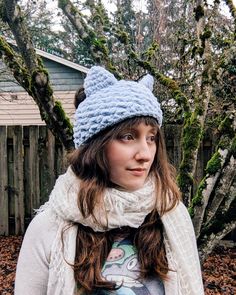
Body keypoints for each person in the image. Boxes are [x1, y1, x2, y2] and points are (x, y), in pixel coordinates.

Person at [14, 66, 204, 295]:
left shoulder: (171, 215)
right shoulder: (49, 228)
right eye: (128, 136)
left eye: (151, 138)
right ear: (95, 146)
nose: (145, 153)